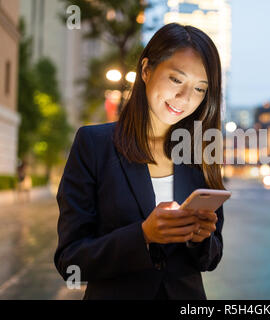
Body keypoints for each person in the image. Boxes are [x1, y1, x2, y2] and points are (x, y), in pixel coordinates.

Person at [54, 23, 226, 300]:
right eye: (176, 79)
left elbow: (211, 258)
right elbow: (71, 262)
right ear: (146, 70)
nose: (185, 99)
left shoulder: (200, 154)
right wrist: (143, 235)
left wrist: (201, 238)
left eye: (200, 89)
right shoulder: (94, 145)